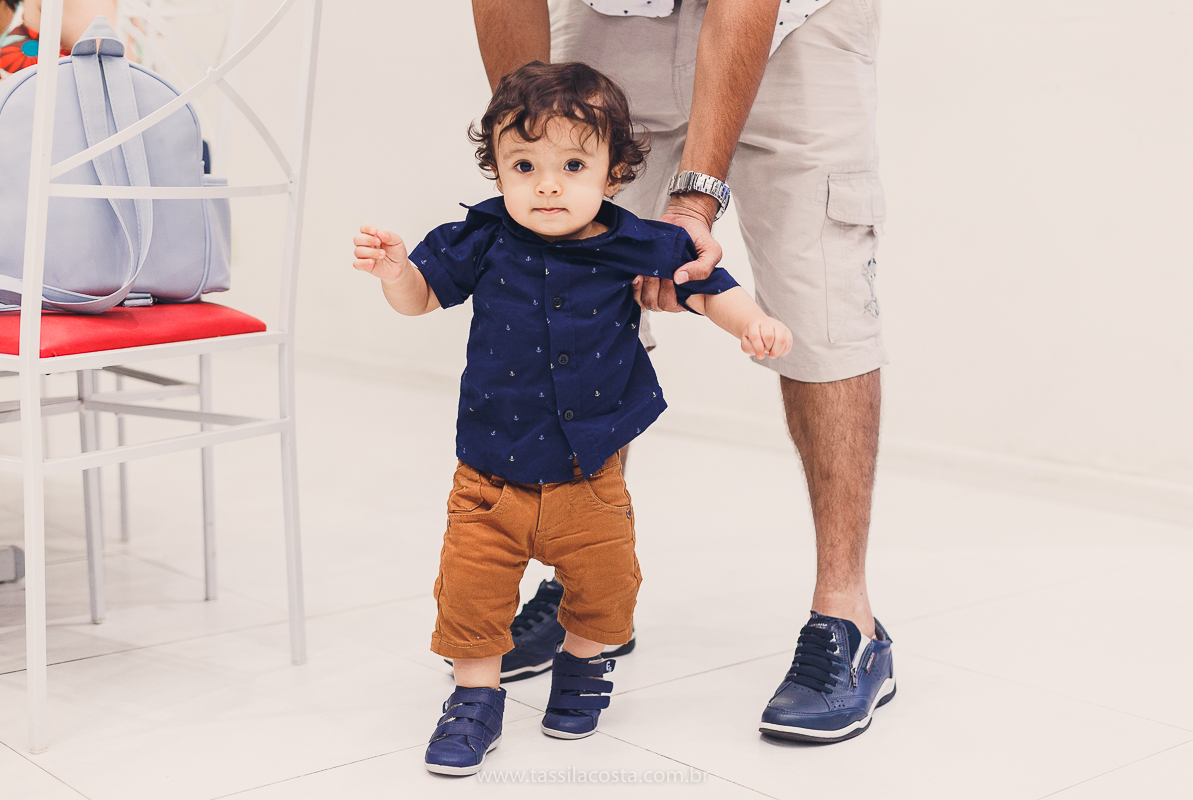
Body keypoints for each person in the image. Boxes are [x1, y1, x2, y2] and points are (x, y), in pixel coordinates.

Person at [471, 0, 895, 744]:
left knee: (821, 305)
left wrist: (695, 201)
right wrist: (529, 140)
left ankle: (848, 617)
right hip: (610, 18)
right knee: (569, 289)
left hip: (796, 29)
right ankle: (589, 595)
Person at [352, 61, 791, 776]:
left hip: (591, 470)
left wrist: (752, 323)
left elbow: (704, 283)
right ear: (497, 170)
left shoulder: (632, 241)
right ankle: (474, 700)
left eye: (573, 165)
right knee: (470, 591)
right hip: (490, 471)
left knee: (606, 585)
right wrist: (396, 272)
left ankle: (583, 668)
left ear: (614, 173)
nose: (547, 185)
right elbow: (420, 298)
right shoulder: (482, 237)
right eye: (524, 165)